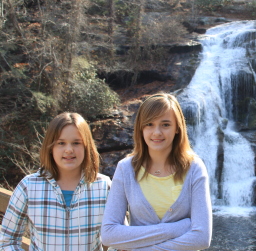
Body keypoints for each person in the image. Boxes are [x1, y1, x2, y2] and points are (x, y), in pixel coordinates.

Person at [101, 93, 212, 250]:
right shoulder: (125, 169)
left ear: (177, 129)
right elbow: (108, 234)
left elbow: (201, 238)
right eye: (149, 124)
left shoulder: (194, 168)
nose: (157, 132)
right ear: (140, 128)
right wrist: (180, 227)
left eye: (165, 124)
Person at [0, 112, 113, 250]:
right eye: (61, 143)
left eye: (76, 143)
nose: (69, 150)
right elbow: (7, 240)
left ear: (87, 147)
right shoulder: (29, 186)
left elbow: (121, 241)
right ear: (50, 147)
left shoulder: (103, 186)